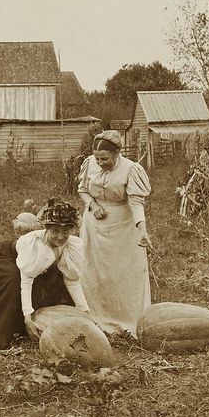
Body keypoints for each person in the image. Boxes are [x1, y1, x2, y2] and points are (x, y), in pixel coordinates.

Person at [0, 199, 89, 348]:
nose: (60, 237)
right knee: (14, 282)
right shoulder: (35, 245)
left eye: (65, 232)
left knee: (52, 282)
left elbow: (72, 280)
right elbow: (26, 282)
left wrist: (85, 312)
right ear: (46, 229)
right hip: (2, 257)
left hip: (23, 262)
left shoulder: (71, 246)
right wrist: (28, 319)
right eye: (55, 231)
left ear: (71, 231)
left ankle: (20, 327)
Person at [77, 129, 152, 336]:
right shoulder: (89, 163)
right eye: (98, 158)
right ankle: (94, 317)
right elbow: (82, 190)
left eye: (105, 159)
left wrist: (142, 229)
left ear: (117, 153)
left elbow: (136, 203)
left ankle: (127, 320)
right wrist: (92, 205)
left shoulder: (130, 170)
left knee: (123, 272)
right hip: (94, 225)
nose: (100, 163)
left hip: (123, 227)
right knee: (93, 271)